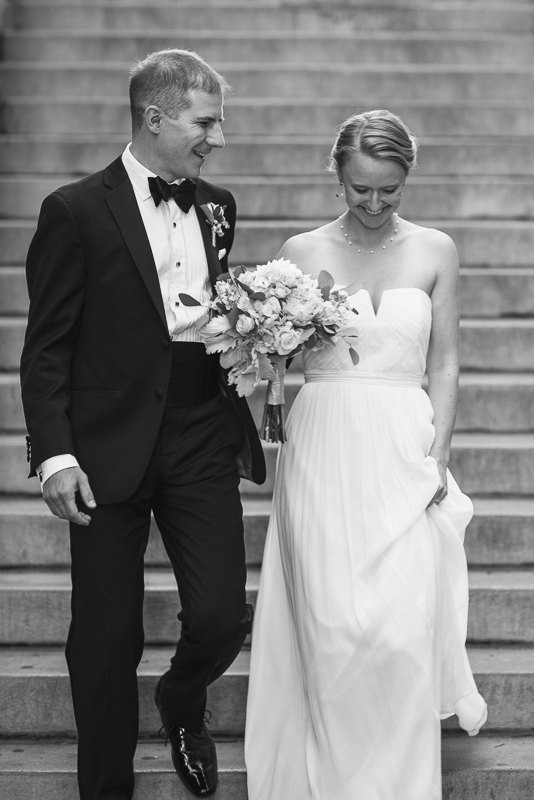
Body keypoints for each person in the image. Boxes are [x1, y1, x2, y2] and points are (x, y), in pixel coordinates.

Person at [20, 48, 265, 800]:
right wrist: (55, 455)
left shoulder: (217, 204)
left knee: (224, 615)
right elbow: (47, 347)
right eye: (206, 121)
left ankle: (182, 699)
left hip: (198, 430)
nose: (217, 138)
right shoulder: (73, 210)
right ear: (154, 118)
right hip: (105, 444)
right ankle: (105, 786)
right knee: (105, 635)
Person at [245, 109, 487, 800]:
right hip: (323, 441)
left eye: (391, 190)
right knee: (332, 621)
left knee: (401, 625)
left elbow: (445, 363)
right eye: (361, 190)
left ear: (407, 178)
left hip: (404, 442)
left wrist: (438, 456)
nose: (376, 205)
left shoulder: (437, 249)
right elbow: (274, 356)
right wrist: (268, 365)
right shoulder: (301, 251)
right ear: (338, 176)